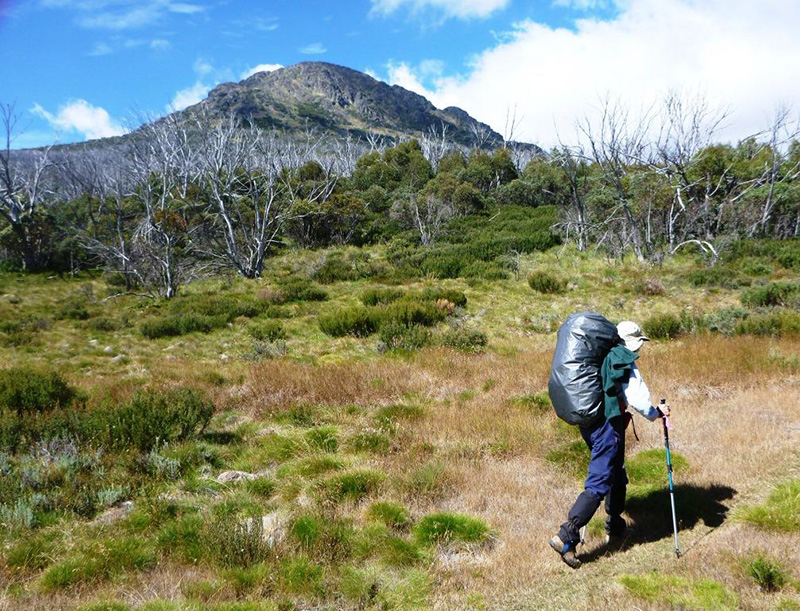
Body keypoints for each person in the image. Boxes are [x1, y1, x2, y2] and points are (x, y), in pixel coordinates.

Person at [548, 320, 670, 569]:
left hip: (592, 424)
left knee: (615, 472)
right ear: (633, 343)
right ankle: (566, 536)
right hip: (607, 426)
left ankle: (614, 526)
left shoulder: (603, 356)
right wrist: (657, 412)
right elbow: (637, 399)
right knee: (599, 481)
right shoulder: (623, 359)